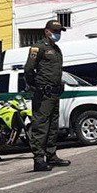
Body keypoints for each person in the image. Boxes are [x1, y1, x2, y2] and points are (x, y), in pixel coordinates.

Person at [24, 20, 71, 172]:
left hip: (55, 93)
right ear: (46, 31)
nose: (58, 34)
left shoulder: (56, 49)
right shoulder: (38, 47)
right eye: (55, 31)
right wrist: (35, 86)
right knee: (41, 126)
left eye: (59, 31)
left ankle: (51, 155)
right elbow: (29, 70)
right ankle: (38, 159)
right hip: (43, 93)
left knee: (53, 126)